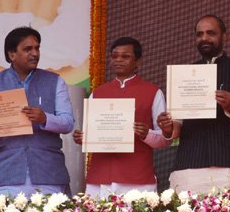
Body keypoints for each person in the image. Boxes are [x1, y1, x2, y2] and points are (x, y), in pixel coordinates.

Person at [158, 15, 230, 194]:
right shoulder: (184, 75)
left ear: (224, 37)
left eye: (211, 33)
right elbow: (175, 129)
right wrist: (167, 127)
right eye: (199, 34)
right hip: (189, 167)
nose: (204, 38)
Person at [0, 26, 74, 196]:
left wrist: (45, 118)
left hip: (48, 175)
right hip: (3, 175)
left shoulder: (55, 82)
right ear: (11, 54)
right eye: (27, 49)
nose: (35, 53)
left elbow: (67, 123)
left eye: (37, 48)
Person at [72, 37, 172, 198]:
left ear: (138, 61)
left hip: (137, 178)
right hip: (100, 177)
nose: (118, 60)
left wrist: (147, 134)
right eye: (114, 56)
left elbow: (165, 140)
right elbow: (93, 137)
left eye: (125, 56)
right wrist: (83, 138)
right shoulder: (98, 93)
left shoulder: (153, 92)